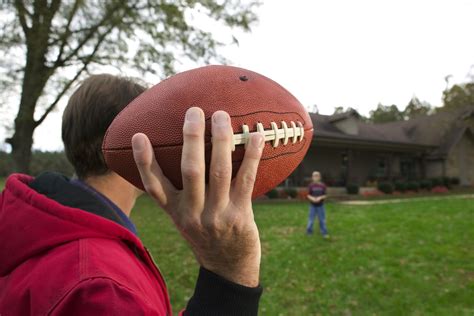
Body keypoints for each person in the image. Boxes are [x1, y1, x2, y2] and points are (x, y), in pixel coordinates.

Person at [0, 74, 265, 315]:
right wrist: (231, 276)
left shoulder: (35, 223)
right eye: (161, 132)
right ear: (137, 145)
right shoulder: (102, 289)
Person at [306, 171, 329, 238]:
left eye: (317, 175)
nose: (315, 177)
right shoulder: (310, 186)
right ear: (312, 177)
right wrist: (312, 198)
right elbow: (308, 195)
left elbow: (325, 195)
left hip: (320, 206)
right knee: (311, 220)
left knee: (322, 219)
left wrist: (320, 197)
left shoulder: (323, 186)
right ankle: (309, 232)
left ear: (319, 177)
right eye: (314, 176)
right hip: (312, 206)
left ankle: (324, 232)